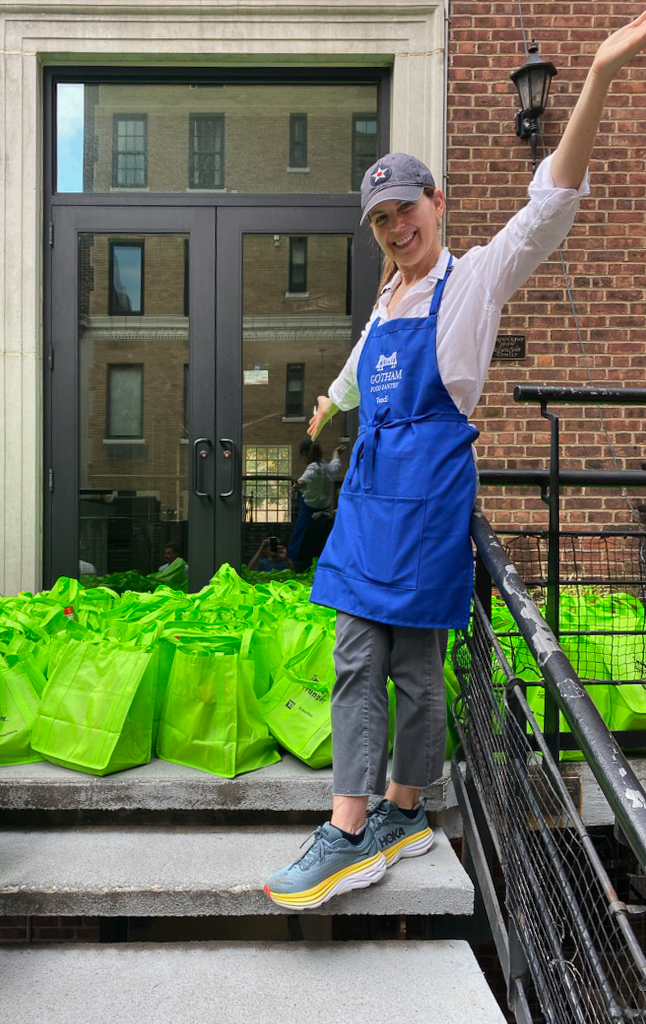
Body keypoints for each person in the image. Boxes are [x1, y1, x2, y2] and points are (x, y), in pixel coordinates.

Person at [263, 11, 646, 910]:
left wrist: (595, 76)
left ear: (437, 204)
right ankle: (350, 828)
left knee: (413, 669)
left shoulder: (473, 279)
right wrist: (326, 406)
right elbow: (360, 372)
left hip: (430, 497)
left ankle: (399, 810)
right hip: (368, 499)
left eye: (406, 210)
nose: (395, 227)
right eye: (381, 220)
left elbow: (549, 203)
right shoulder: (389, 297)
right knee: (359, 656)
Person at [286, 439, 346, 568]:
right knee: (320, 543)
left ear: (306, 454)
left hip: (308, 512)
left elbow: (306, 478)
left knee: (299, 541)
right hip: (324, 512)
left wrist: (298, 485)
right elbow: (336, 465)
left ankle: (294, 567)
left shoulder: (313, 468)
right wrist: (336, 453)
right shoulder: (327, 468)